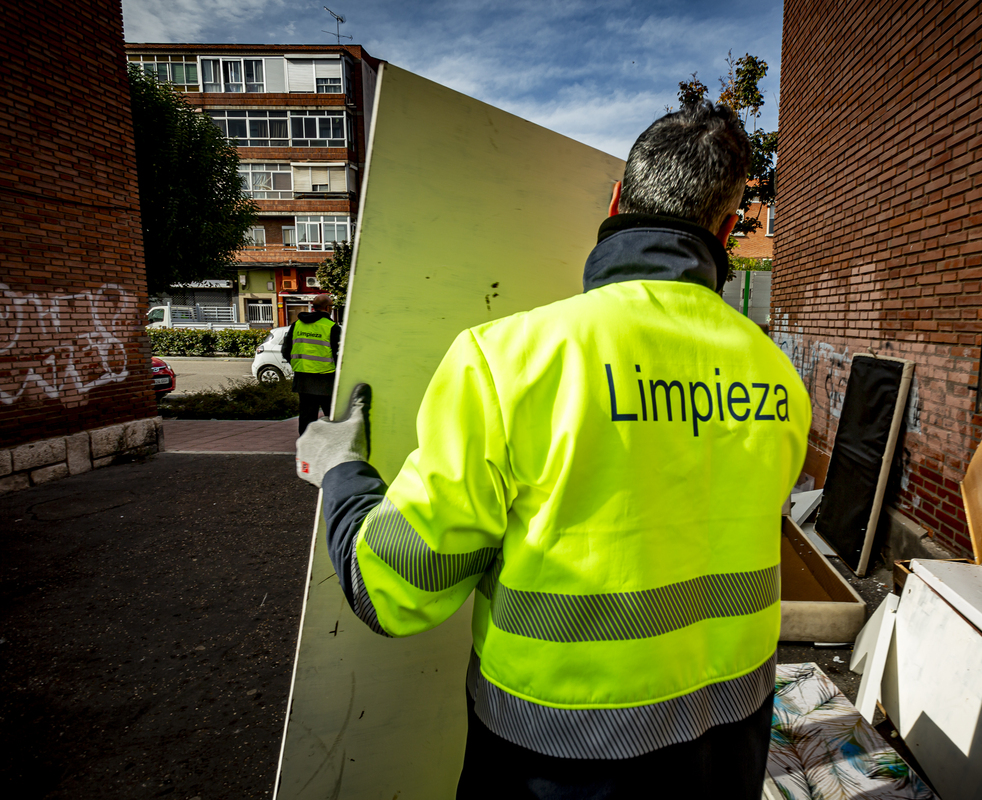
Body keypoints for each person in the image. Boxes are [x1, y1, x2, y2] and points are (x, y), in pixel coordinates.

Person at [296, 101, 811, 799]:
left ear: (616, 201)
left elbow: (391, 588)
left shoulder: (508, 359)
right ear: (725, 230)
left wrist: (339, 470)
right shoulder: (777, 376)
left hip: (559, 766)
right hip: (728, 748)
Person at [281, 294, 341, 435]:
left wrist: (301, 365)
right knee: (332, 418)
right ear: (327, 308)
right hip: (327, 380)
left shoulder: (297, 325)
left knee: (306, 418)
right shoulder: (332, 327)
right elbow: (339, 356)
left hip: (303, 380)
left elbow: (286, 351)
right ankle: (333, 448)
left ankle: (306, 449)